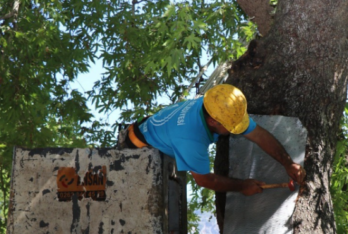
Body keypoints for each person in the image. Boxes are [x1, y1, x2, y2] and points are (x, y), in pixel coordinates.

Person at [118, 84, 305, 196]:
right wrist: (243, 186)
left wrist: (288, 163)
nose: (234, 131)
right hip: (137, 154)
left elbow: (258, 135)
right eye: (230, 127)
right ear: (212, 121)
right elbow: (206, 180)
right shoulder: (190, 139)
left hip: (153, 135)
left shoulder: (216, 103)